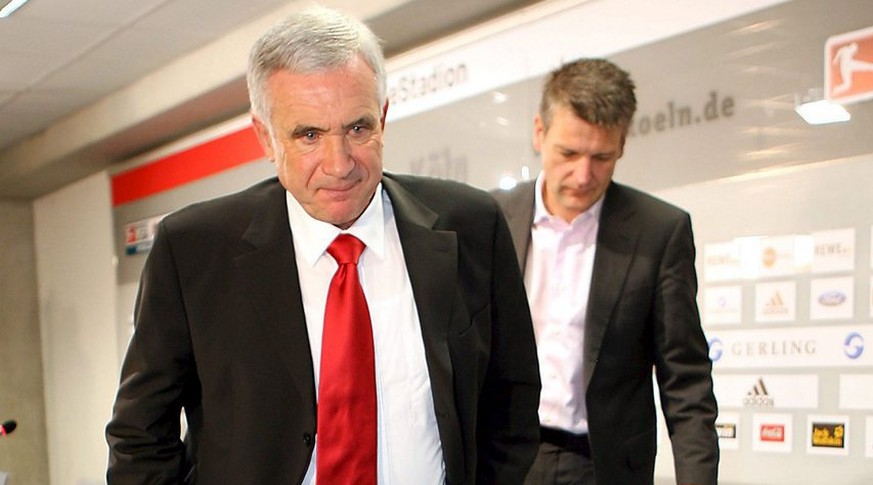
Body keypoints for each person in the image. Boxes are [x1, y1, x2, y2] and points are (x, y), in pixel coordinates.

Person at [105, 5, 540, 484]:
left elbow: (512, 402)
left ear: (384, 117)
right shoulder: (193, 252)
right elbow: (141, 435)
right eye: (309, 135)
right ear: (265, 138)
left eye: (357, 128)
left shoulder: (472, 227)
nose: (339, 164)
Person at [491, 58, 718, 485]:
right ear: (539, 133)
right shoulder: (491, 219)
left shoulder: (659, 232)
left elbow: (685, 382)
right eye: (569, 153)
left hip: (605, 465)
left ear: (623, 145)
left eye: (602, 157)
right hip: (507, 462)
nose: (583, 175)